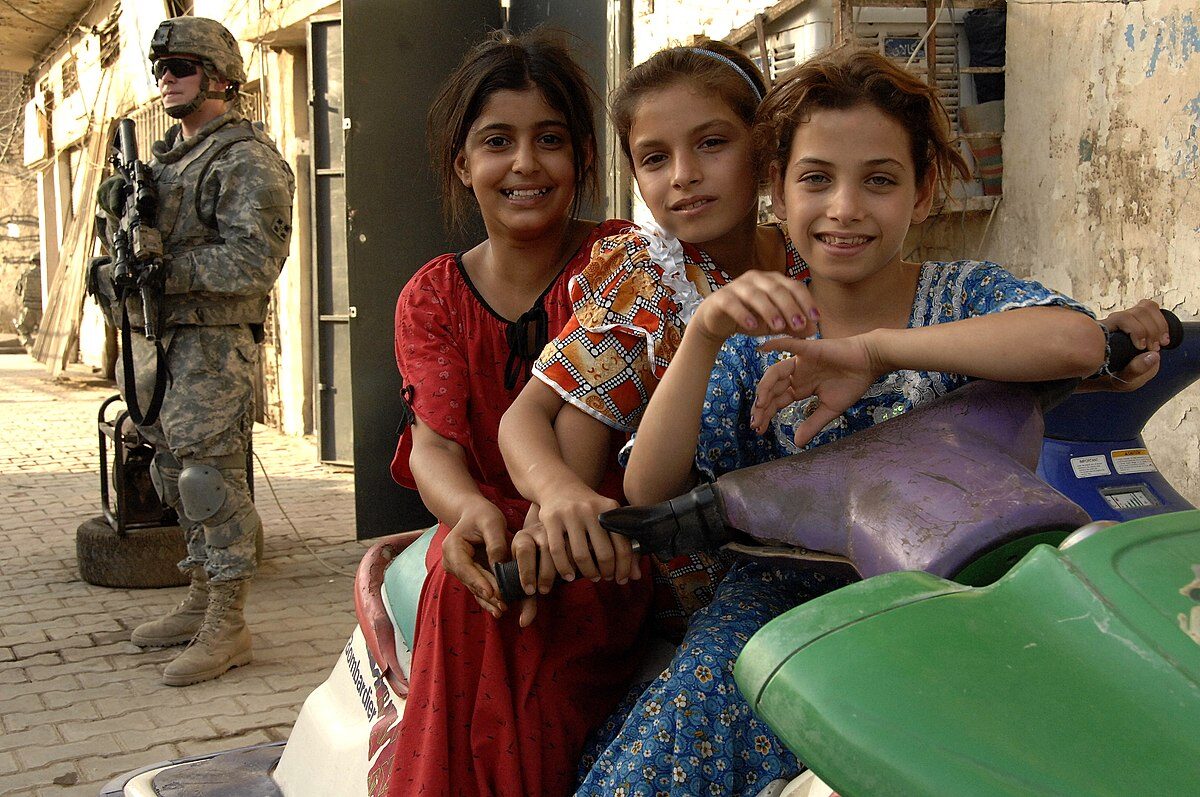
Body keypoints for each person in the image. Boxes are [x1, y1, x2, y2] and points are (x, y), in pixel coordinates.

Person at [581, 46, 1151, 796]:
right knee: (663, 762)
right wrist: (704, 335)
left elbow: (1073, 339)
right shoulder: (758, 334)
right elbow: (648, 484)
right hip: (785, 613)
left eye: (879, 180)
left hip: (969, 595)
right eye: (816, 179)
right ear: (777, 196)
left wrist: (875, 352)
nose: (845, 208)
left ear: (921, 195)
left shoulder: (963, 295)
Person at [494, 40, 827, 793]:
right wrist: (560, 493)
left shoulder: (824, 254)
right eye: (653, 158)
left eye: (711, 143)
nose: (683, 176)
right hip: (709, 582)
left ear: (765, 147)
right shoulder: (649, 278)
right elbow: (525, 418)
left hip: (854, 561)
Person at [384, 31, 653, 797]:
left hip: (598, 528)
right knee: (472, 583)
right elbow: (432, 444)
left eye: (551, 140)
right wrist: (468, 512)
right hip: (484, 525)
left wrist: (549, 517)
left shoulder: (618, 261)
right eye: (498, 142)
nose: (526, 164)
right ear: (463, 165)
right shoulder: (432, 296)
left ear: (583, 160)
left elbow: (595, 431)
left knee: (531, 593)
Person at [93, 16, 295, 686]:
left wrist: (163, 269)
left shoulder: (248, 161)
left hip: (212, 345)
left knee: (209, 482)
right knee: (168, 473)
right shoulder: (159, 165)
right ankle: (202, 594)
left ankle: (228, 621)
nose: (167, 78)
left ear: (219, 77)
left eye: (181, 66)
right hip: (160, 344)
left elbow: (253, 262)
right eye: (162, 69)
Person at [13, 255, 41, 351]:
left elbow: (18, 290)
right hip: (43, 307)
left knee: (22, 328)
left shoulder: (26, 274)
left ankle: (29, 347)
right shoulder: (45, 272)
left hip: (28, 307)